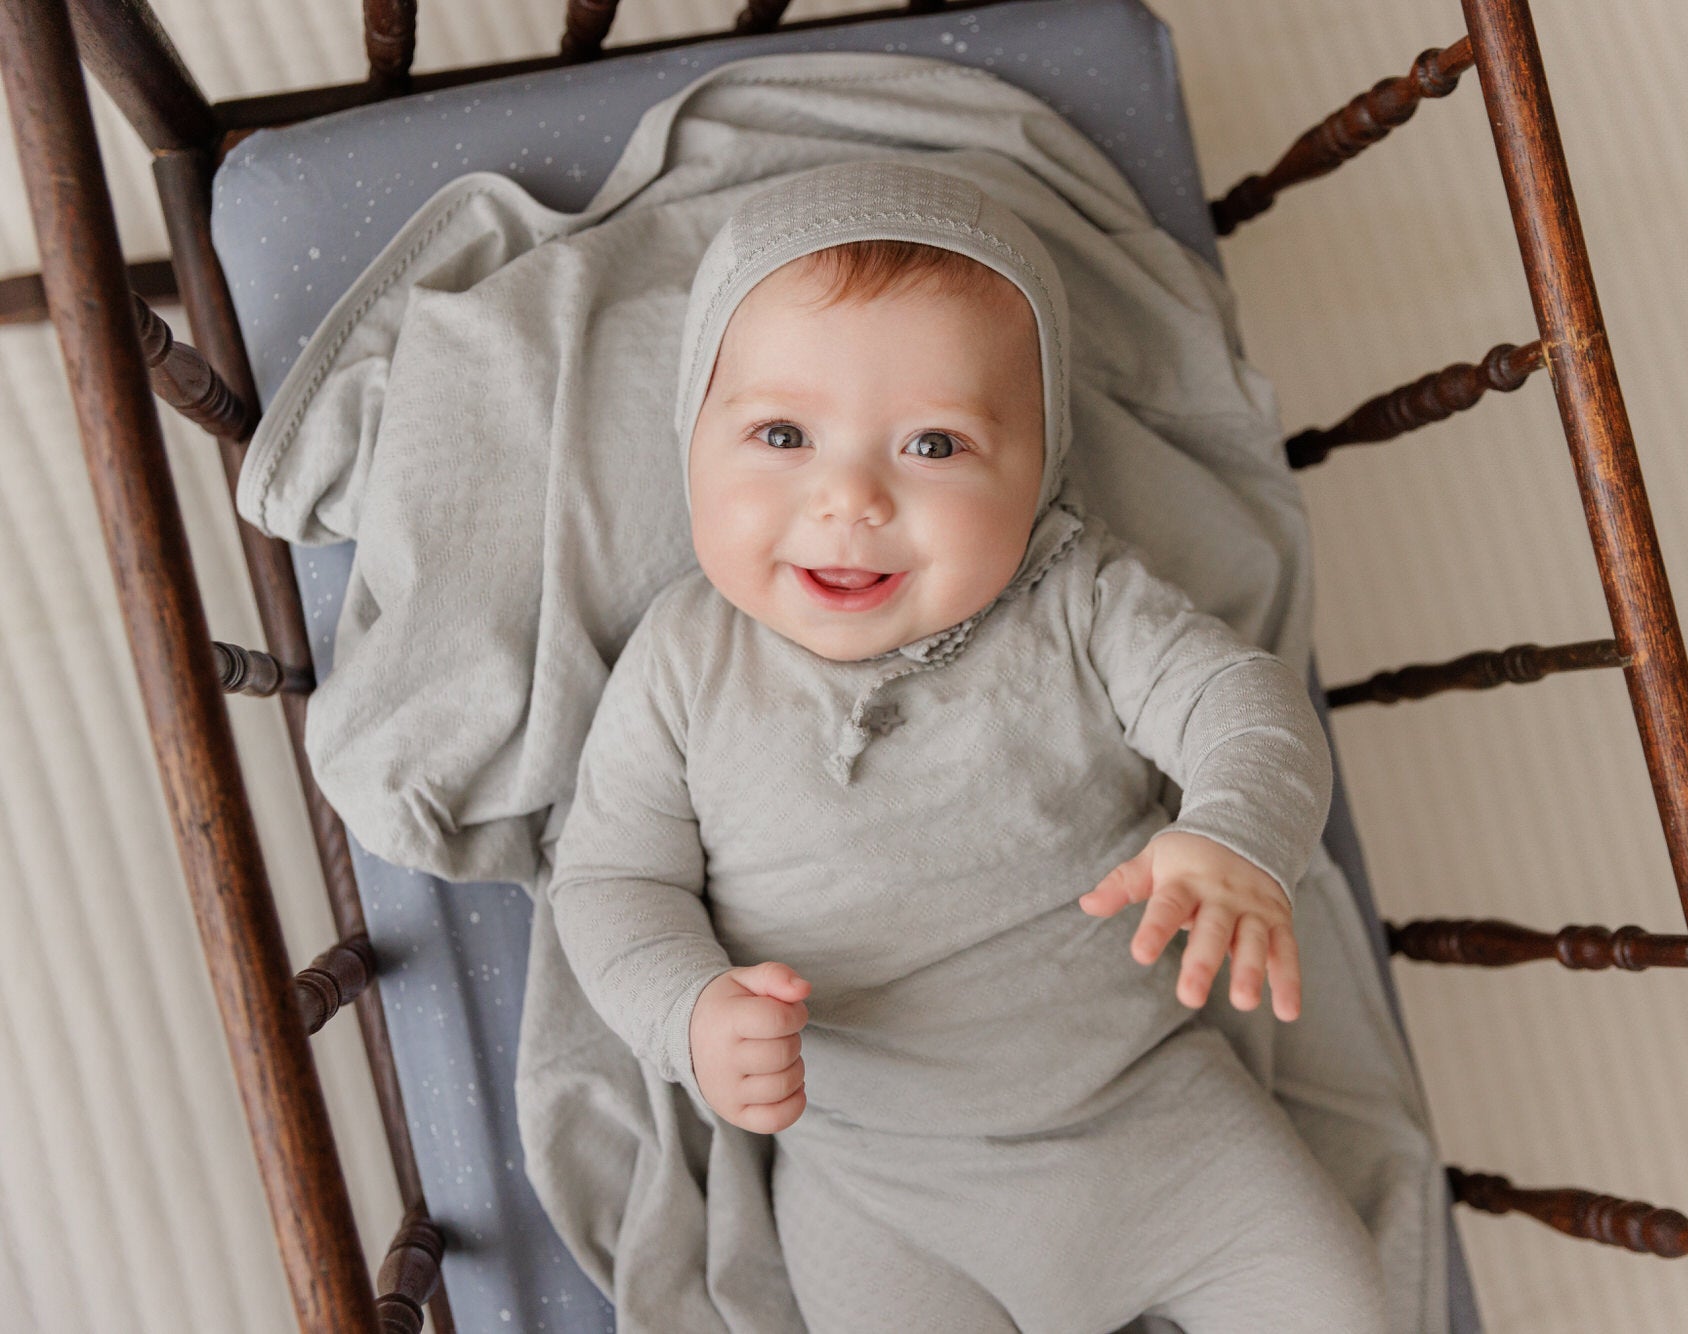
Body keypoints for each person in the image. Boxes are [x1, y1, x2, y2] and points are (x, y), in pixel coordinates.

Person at [548, 158, 1387, 1333]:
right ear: (690, 440)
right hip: (879, 1184)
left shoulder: (1079, 598)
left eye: (933, 444)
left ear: (1038, 467)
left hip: (1159, 1122)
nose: (850, 497)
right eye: (782, 433)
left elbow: (1240, 705)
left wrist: (1232, 830)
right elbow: (608, 881)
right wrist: (686, 1011)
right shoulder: (685, 662)